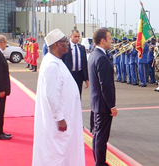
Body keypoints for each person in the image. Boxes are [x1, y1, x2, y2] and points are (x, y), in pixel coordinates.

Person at [32, 29, 85, 166]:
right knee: (56, 154)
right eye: (65, 42)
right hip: (58, 123)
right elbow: (52, 95)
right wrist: (60, 118)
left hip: (64, 118)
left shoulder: (56, 61)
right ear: (56, 45)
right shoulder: (52, 65)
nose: (68, 44)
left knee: (63, 152)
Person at [88, 27, 118, 166]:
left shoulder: (93, 55)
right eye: (110, 38)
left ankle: (99, 161)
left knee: (97, 135)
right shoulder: (102, 58)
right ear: (102, 40)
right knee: (101, 137)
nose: (111, 40)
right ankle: (99, 163)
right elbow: (106, 86)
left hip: (96, 103)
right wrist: (112, 106)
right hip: (103, 105)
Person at [61, 29, 89, 96]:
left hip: (79, 74)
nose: (77, 38)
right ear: (70, 36)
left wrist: (86, 79)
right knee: (69, 94)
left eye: (78, 36)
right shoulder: (66, 47)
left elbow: (84, 64)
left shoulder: (82, 48)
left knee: (78, 94)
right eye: (75, 36)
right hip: (69, 74)